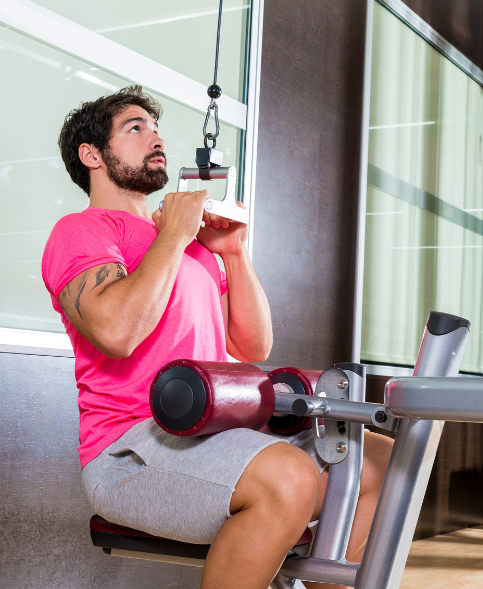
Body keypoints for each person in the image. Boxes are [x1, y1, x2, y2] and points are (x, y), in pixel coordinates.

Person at [41, 85, 393, 589]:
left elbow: (253, 347)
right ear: (91, 155)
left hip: (214, 430)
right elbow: (116, 331)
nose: (155, 138)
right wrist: (174, 236)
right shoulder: (85, 230)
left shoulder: (193, 246)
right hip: (131, 448)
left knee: (375, 458)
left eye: (156, 129)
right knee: (288, 477)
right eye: (135, 128)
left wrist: (231, 252)